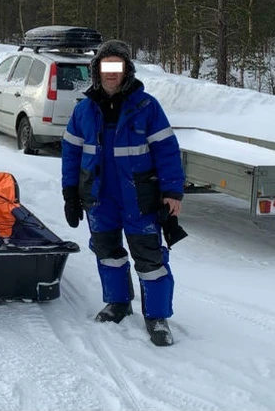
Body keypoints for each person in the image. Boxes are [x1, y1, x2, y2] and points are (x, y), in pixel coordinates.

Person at [61, 39, 187, 347]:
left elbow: (168, 152)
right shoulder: (83, 110)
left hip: (139, 196)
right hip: (100, 197)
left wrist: (173, 192)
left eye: (117, 66)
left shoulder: (147, 107)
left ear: (127, 69)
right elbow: (71, 154)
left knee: (150, 258)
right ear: (96, 71)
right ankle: (117, 302)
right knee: (108, 253)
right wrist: (69, 193)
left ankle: (157, 317)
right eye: (105, 67)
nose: (111, 73)